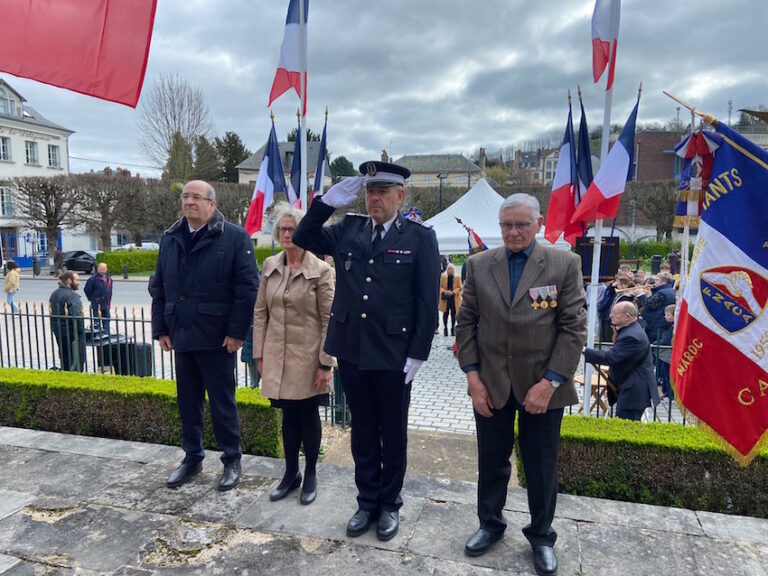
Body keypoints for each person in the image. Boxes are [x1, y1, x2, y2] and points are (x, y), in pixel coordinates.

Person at [293, 160, 440, 542]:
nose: (374, 198)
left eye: (382, 192)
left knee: (392, 433)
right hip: (353, 349)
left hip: (394, 353)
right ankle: (366, 501)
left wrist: (419, 351)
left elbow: (427, 300)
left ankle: (389, 505)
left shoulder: (420, 237)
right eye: (370, 191)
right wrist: (325, 203)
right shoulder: (350, 228)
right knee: (361, 431)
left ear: (399, 196)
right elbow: (304, 237)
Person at [455, 193, 586, 576]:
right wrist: (473, 379)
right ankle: (490, 525)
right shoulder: (479, 265)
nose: (513, 232)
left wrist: (550, 382)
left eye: (521, 225)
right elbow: (466, 324)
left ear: (538, 224)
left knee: (541, 466)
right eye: (506, 225)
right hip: (492, 383)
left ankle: (542, 537)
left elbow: (573, 327)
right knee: (491, 462)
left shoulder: (563, 264)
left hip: (543, 385)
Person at [151, 180, 260, 492]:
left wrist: (237, 332)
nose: (189, 202)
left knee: (222, 402)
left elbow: (247, 289)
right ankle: (193, 457)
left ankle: (232, 459)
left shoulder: (235, 237)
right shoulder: (170, 238)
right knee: (188, 401)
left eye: (196, 197)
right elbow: (159, 286)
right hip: (181, 334)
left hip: (217, 337)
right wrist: (161, 328)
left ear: (212, 204)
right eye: (185, 197)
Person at [253, 207, 336, 506]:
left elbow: (330, 320)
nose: (287, 234)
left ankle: (310, 472)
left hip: (310, 356)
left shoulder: (321, 271)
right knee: (288, 414)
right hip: (278, 355)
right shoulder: (270, 266)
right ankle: (291, 473)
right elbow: (261, 311)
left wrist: (326, 363)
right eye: (283, 230)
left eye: (293, 229)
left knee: (308, 414)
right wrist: (259, 354)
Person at [584, 301, 660, 421]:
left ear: (627, 316)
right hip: (631, 387)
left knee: (626, 430)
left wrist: (585, 351)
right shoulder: (631, 329)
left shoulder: (631, 336)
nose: (611, 316)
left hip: (633, 391)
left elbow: (610, 358)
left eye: (615, 313)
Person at [50, 270, 86, 372]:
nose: (79, 282)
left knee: (65, 358)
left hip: (58, 331)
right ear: (70, 280)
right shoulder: (71, 295)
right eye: (77, 280)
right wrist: (81, 331)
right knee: (76, 361)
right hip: (72, 333)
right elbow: (77, 316)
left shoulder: (54, 294)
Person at [639, 271, 676, 343]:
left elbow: (649, 305)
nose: (655, 283)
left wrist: (641, 295)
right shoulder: (670, 291)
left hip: (655, 325)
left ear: (663, 282)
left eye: (657, 280)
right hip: (659, 323)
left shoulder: (661, 293)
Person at [84, 262, 113, 335]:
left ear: (106, 269)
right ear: (97, 269)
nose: (102, 271)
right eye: (101, 269)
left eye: (104, 269)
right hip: (97, 304)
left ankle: (107, 334)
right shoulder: (93, 279)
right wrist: (92, 299)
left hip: (106, 303)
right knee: (97, 321)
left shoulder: (109, 278)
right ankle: (97, 336)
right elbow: (87, 289)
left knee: (107, 320)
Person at [656, 304, 676, 400]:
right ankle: (665, 391)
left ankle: (669, 393)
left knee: (667, 375)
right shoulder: (668, 325)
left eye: (668, 315)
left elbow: (666, 340)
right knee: (664, 374)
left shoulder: (674, 327)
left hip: (668, 355)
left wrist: (656, 343)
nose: (665, 317)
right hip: (665, 355)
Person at [439, 263, 462, 336]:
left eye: (451, 269)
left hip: (454, 298)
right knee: (445, 314)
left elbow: (460, 287)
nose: (450, 270)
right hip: (446, 298)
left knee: (453, 314)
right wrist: (445, 291)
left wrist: (453, 292)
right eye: (449, 269)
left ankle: (452, 328)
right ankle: (445, 328)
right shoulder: (443, 277)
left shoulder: (457, 277)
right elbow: (439, 287)